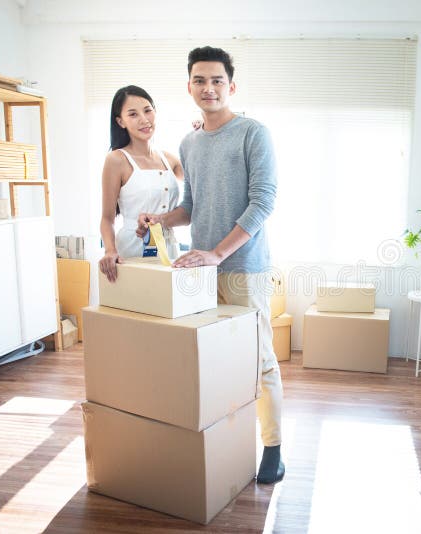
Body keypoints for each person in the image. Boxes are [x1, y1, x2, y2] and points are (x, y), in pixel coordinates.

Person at [137, 46, 284, 484]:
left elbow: (263, 203)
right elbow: (192, 207)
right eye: (200, 80)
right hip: (198, 274)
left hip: (243, 270)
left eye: (217, 80)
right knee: (210, 362)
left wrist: (219, 253)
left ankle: (273, 448)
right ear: (189, 87)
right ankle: (222, 444)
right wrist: (163, 219)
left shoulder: (253, 134)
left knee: (259, 362)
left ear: (231, 86)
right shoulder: (189, 142)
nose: (209, 87)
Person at [99, 85, 184, 282]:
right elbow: (107, 218)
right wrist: (110, 251)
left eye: (147, 110)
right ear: (121, 121)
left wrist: (201, 134)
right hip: (132, 248)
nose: (144, 119)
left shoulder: (169, 159)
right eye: (133, 114)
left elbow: (202, 178)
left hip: (169, 247)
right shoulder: (116, 160)